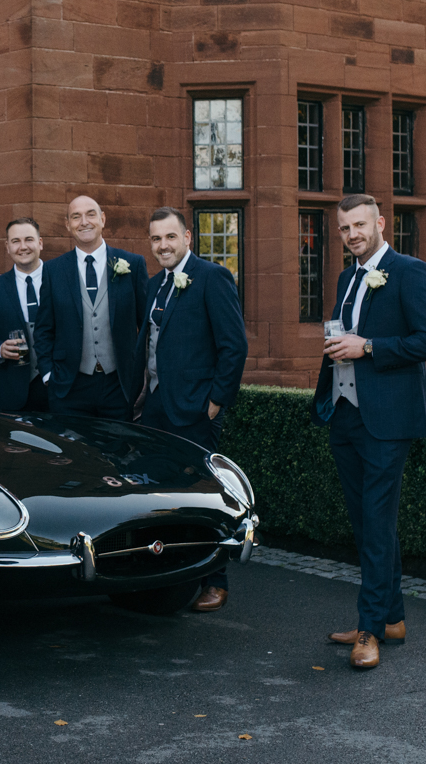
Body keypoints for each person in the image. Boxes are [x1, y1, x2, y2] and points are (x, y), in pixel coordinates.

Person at [313, 194, 426, 670]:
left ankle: (368, 629)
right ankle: (392, 618)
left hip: (388, 420)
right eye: (344, 228)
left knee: (375, 521)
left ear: (380, 223)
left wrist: (366, 346)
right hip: (346, 413)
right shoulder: (348, 276)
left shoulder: (411, 271)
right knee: (368, 522)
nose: (352, 234)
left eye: (359, 225)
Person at [135, 206, 248, 612]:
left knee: (203, 496)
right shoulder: (154, 285)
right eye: (155, 239)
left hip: (196, 410)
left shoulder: (212, 277)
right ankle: (171, 577)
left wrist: (216, 403)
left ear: (187, 238)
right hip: (157, 407)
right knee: (160, 494)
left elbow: (234, 346)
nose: (162, 245)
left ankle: (215, 581)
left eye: (169, 237)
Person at [33, 196, 150, 419]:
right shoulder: (53, 270)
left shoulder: (132, 264)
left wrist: (142, 376)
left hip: (119, 387)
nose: (84, 221)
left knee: (117, 451)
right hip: (69, 387)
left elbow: (145, 326)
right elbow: (43, 329)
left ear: (103, 219)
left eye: (91, 214)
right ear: (68, 225)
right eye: (76, 217)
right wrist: (48, 375)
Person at [0, 217, 49, 411]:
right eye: (16, 241)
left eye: (29, 239)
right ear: (7, 246)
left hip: (59, 390)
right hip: (13, 393)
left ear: (40, 243)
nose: (23, 247)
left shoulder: (60, 279)